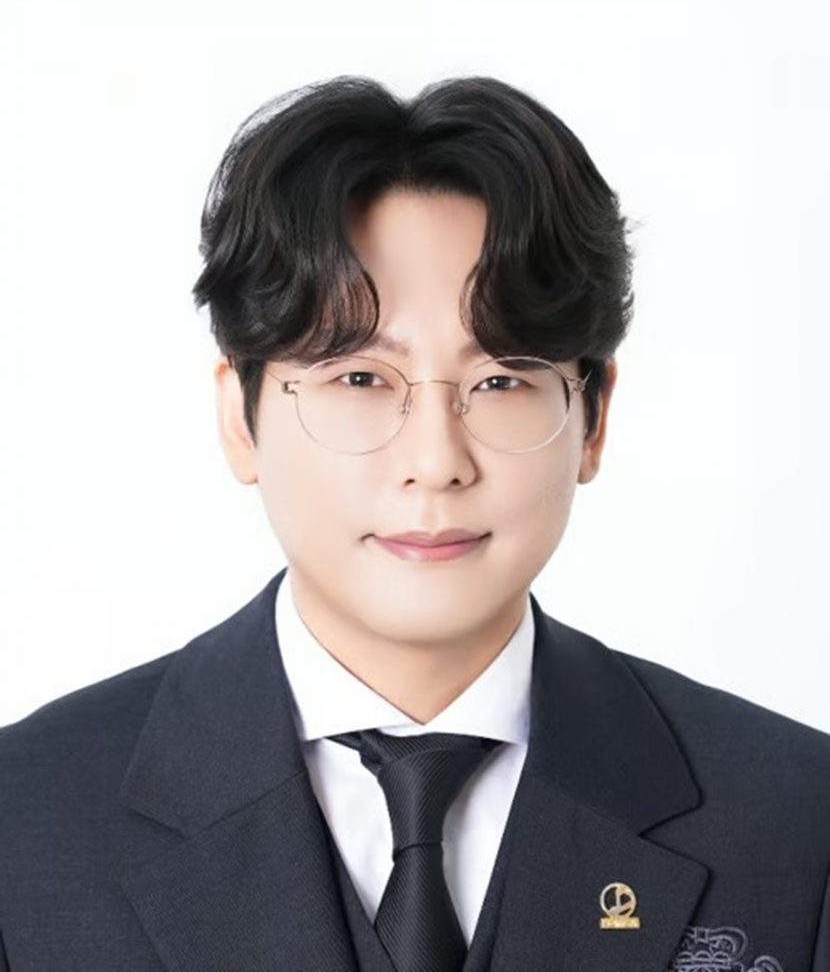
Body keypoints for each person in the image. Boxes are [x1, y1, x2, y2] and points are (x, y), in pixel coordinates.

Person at [0, 75, 827, 972]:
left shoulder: (796, 818)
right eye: (359, 379)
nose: (436, 461)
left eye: (502, 380)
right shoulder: (27, 818)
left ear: (592, 419)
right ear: (241, 417)